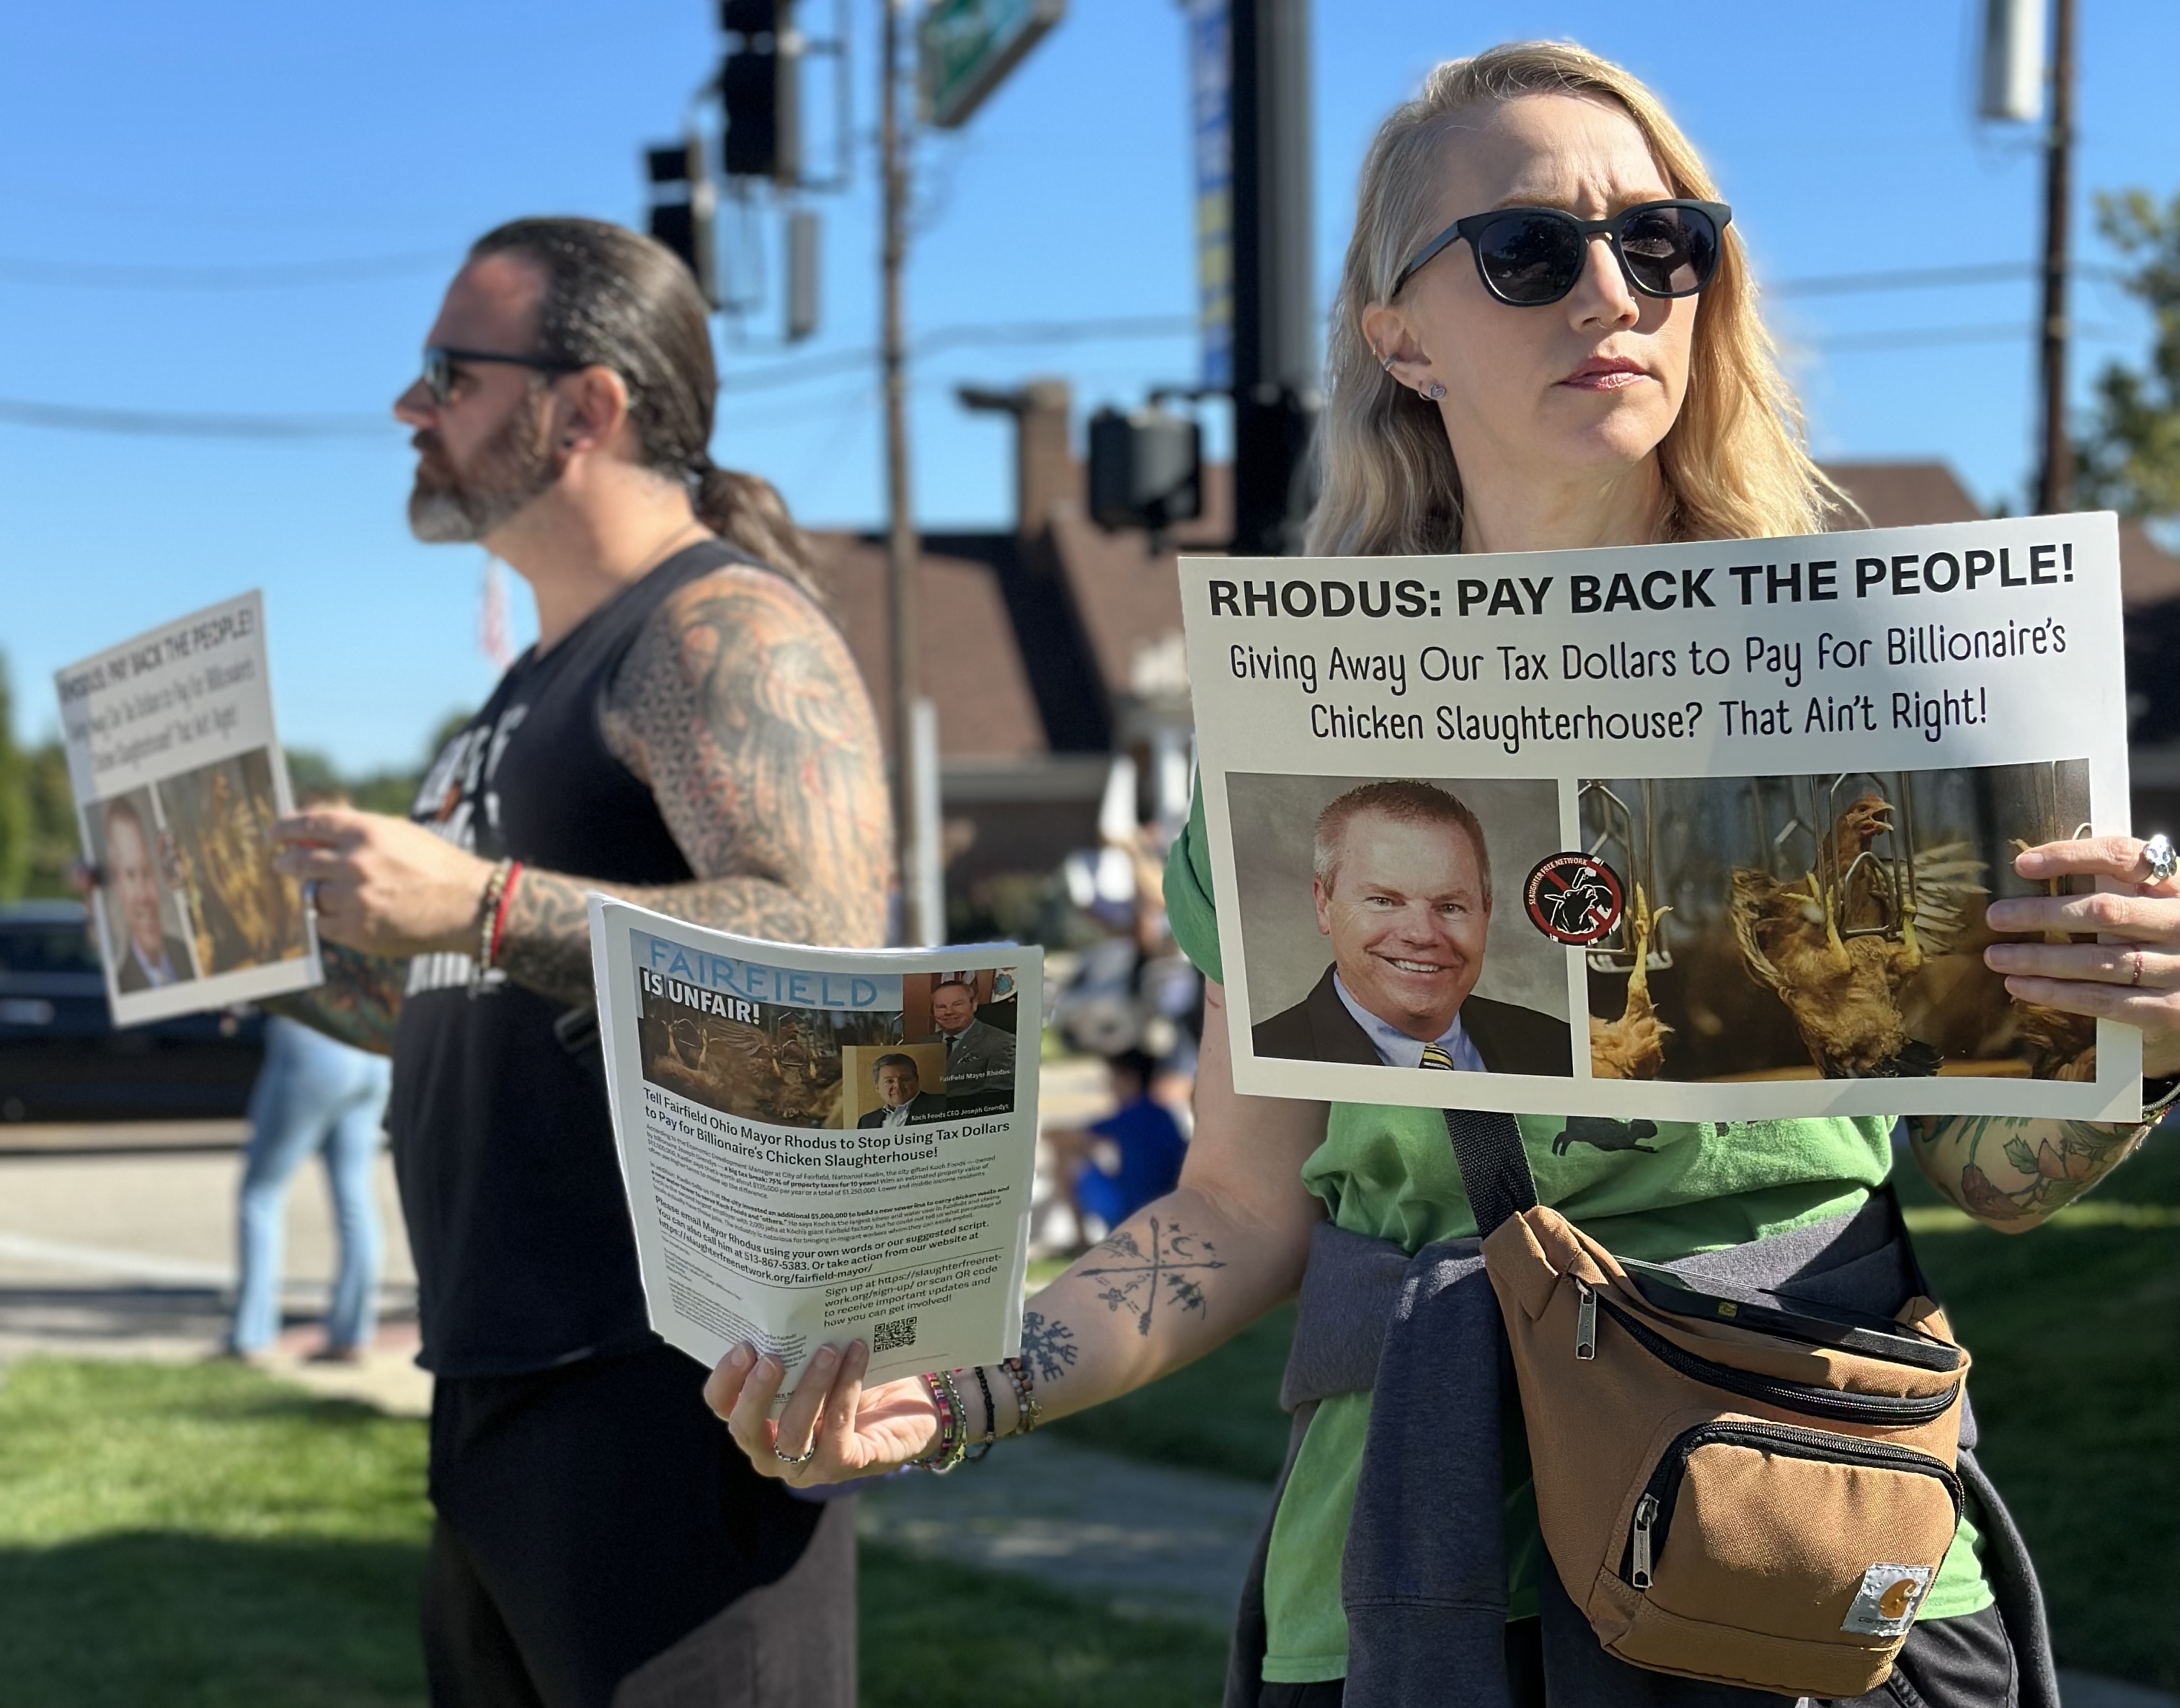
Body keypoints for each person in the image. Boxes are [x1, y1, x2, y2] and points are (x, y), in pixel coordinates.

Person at [706, 45, 2180, 1708]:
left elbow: (1994, 1172)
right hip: (1408, 1573)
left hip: (1807, 1548)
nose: (1614, 290)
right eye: (1531, 248)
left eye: (1663, 241)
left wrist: (2142, 1034)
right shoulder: (1296, 731)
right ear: (1400, 338)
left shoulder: (1902, 675)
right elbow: (1236, 1208)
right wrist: (962, 1385)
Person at [266, 217, 889, 1708]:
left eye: (448, 374)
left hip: (675, 1399)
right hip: (499, 1378)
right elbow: (458, 994)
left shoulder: (717, 625)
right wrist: (218, 946)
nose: (410, 407)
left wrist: (480, 900)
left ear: (584, 407)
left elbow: (830, 951)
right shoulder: (532, 677)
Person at [1252, 779, 1572, 1074]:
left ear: (1485, 914)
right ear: (1324, 904)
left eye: (1450, 907)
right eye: (1384, 901)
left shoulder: (1562, 1050)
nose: (1422, 935)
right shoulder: (1261, 1063)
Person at [226, 1013, 392, 1362]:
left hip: (313, 1043)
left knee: (260, 1194)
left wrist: (233, 1007)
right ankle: (352, 1334)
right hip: (373, 1049)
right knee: (356, 1195)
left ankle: (250, 1336)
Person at [1045, 1048, 1188, 1251]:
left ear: (1130, 1079)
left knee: (1068, 1155)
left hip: (1132, 1209)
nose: (1110, 1087)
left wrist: (1086, 1145)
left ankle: (1081, 1239)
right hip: (1166, 1207)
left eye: (1112, 1080)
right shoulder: (1163, 1115)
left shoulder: (1132, 1114)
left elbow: (1058, 1136)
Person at [103, 798, 194, 991]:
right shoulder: (122, 986)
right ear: (117, 885)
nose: (143, 895)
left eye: (146, 872)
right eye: (130, 875)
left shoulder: (190, 956)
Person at [916, 978, 1016, 1110]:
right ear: (932, 1012)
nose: (949, 1012)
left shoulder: (1002, 1042)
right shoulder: (922, 1044)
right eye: (941, 1007)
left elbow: (998, 1100)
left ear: (973, 1005)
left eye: (957, 1004)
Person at [856, 1053, 947, 1127]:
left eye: (905, 1079)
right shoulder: (866, 1122)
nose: (898, 1086)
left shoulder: (944, 1106)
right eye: (889, 1081)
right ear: (878, 1088)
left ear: (917, 1081)